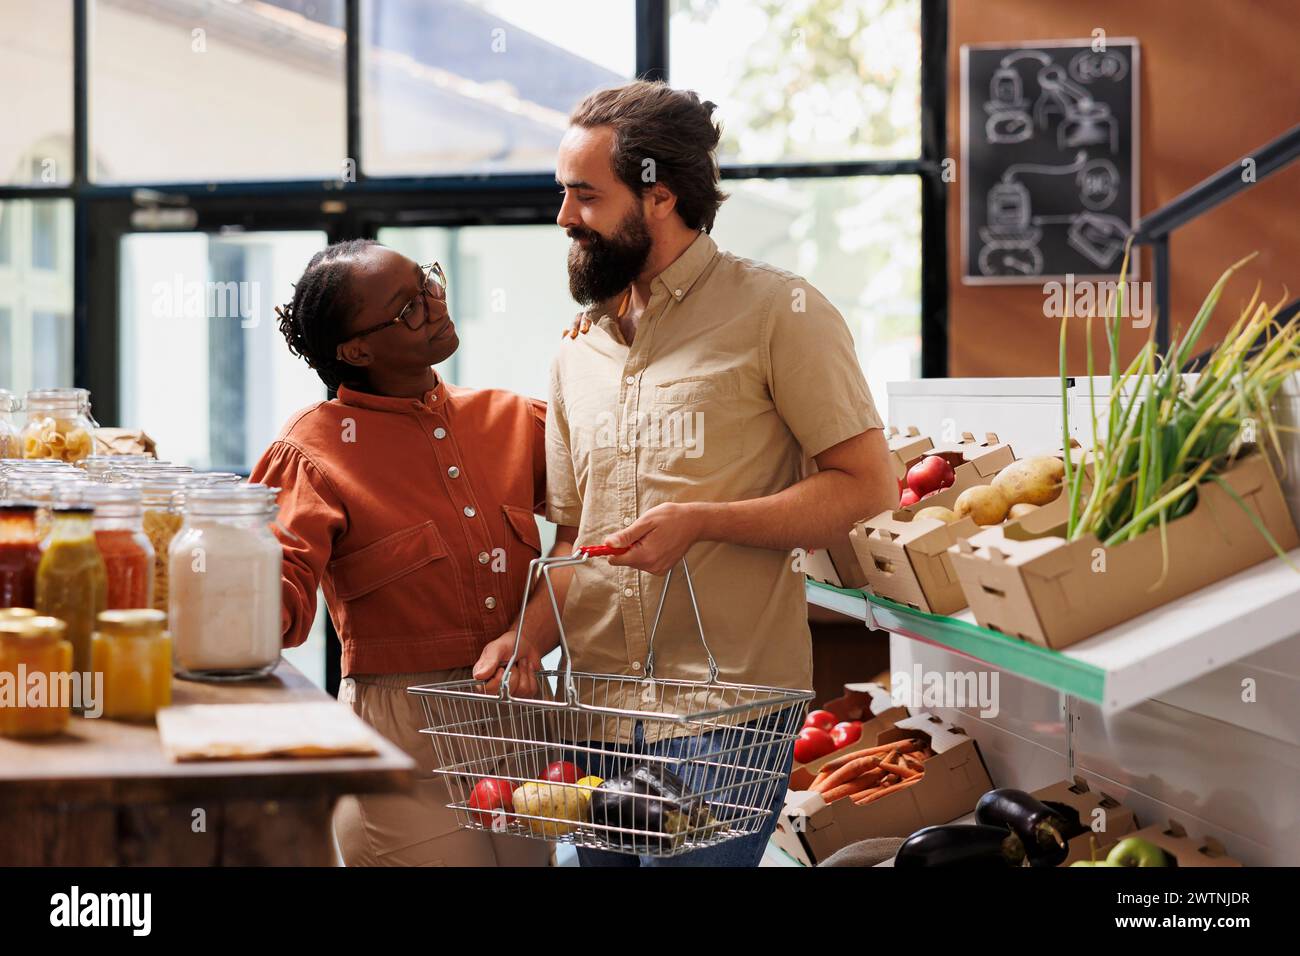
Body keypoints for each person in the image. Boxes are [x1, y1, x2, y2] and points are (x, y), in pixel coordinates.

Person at [473, 81, 897, 867]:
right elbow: (576, 534)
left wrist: (704, 520)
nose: (564, 217)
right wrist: (526, 638)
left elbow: (865, 489)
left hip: (725, 714)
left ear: (658, 194)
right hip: (596, 709)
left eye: (583, 196)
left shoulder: (780, 313)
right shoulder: (578, 351)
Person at [251, 239, 559, 867]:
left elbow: (611, 516)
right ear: (356, 350)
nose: (435, 304)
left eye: (428, 283)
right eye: (408, 307)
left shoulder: (512, 419)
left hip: (524, 725)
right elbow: (270, 616)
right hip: (404, 748)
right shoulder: (311, 451)